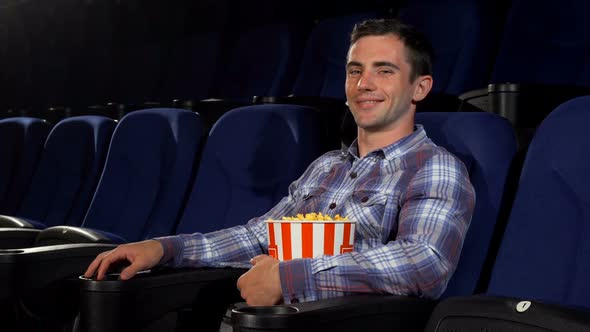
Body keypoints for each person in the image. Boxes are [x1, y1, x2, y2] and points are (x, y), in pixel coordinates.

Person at [84, 18, 475, 306]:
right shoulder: (327, 167)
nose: (364, 84)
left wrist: (290, 278)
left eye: (384, 71)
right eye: (355, 71)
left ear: (420, 87)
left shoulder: (433, 166)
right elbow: (261, 236)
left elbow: (425, 262)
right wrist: (165, 249)